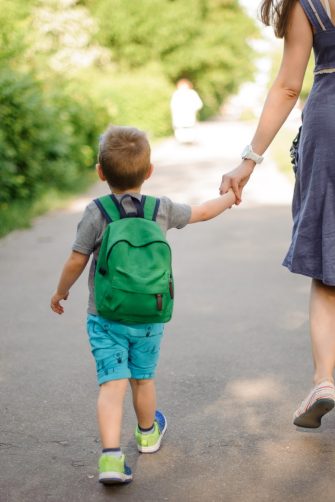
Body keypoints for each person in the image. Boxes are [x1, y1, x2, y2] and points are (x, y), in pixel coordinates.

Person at [50, 125, 235, 484]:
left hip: (105, 316)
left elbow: (76, 259)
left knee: (112, 384)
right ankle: (148, 433)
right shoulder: (160, 209)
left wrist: (61, 292)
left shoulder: (97, 211)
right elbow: (203, 212)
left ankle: (110, 460)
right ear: (149, 172)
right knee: (143, 379)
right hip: (150, 314)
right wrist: (229, 197)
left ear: (100, 172)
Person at [220, 0, 335, 429]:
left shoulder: (309, 4)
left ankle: (324, 380)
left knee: (329, 266)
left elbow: (289, 86)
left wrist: (249, 160)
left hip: (329, 125)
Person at [170, 78, 203, 143]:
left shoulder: (192, 93)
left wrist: (193, 109)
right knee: (180, 130)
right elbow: (172, 105)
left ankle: (189, 141)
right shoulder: (176, 94)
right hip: (179, 116)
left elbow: (199, 104)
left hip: (189, 115)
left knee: (189, 130)